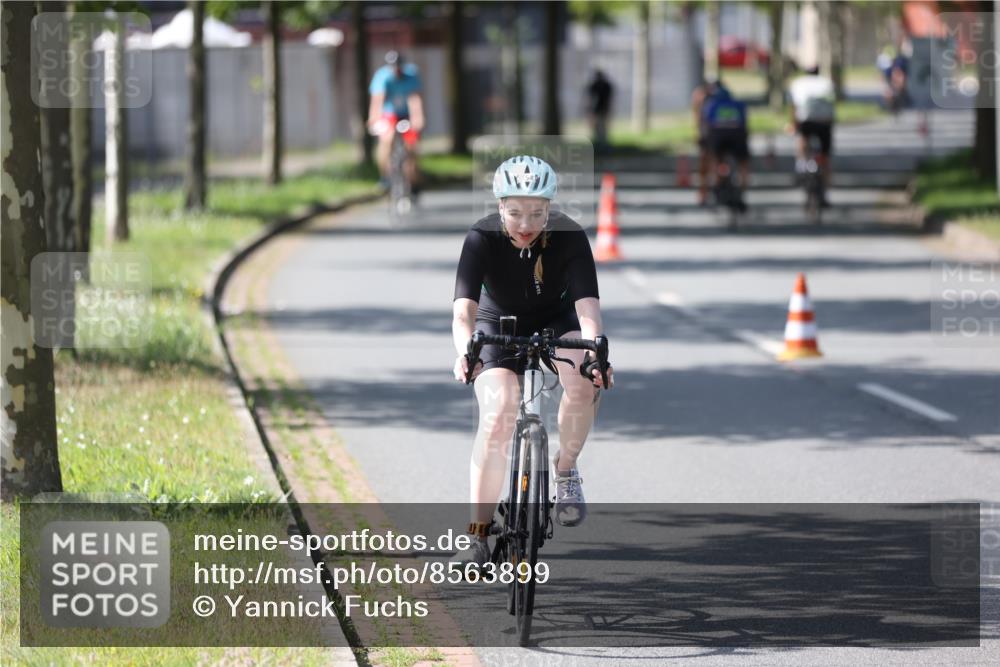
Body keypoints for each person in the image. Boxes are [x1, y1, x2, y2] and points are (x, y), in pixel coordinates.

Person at [450, 155, 615, 568]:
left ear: (550, 208)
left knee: (583, 382)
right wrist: (465, 351)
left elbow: (587, 307)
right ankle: (478, 536)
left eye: (537, 214)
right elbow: (463, 313)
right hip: (497, 323)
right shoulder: (481, 237)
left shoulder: (570, 236)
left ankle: (566, 469)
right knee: (498, 413)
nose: (526, 224)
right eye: (515, 213)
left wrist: (596, 353)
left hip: (556, 319)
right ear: (500, 206)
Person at [367, 51, 424, 192]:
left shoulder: (411, 75)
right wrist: (374, 119)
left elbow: (414, 100)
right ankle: (385, 175)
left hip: (406, 113)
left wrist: (418, 118)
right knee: (387, 139)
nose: (396, 70)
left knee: (412, 144)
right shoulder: (382, 76)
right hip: (389, 113)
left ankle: (413, 176)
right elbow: (377, 100)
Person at [788, 65, 836, 206]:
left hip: (806, 121)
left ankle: (800, 167)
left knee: (802, 140)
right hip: (824, 121)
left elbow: (794, 105)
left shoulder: (798, 83)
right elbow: (832, 104)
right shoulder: (826, 82)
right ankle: (825, 190)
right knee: (825, 157)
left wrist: (793, 123)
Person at [702, 82, 750, 211]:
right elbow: (745, 123)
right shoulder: (738, 105)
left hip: (718, 137)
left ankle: (717, 184)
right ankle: (742, 191)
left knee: (715, 159)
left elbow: (706, 125)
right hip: (737, 135)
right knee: (743, 163)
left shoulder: (711, 105)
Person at [691, 79, 733, 206]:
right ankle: (716, 188)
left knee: (706, 165)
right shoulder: (724, 95)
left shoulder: (701, 97)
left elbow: (699, 120)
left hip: (710, 136)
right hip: (724, 135)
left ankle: (706, 193)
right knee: (720, 162)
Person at [585, 69, 614, 154]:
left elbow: (591, 99)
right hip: (600, 110)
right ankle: (601, 143)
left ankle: (601, 143)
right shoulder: (605, 85)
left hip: (600, 110)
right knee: (600, 127)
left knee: (601, 127)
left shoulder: (598, 85)